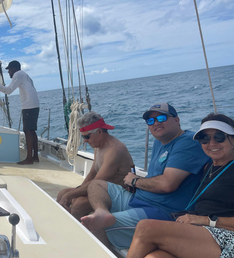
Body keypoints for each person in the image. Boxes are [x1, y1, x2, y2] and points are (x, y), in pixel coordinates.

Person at [80, 102, 210, 250]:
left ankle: (106, 250)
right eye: (151, 121)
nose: (155, 123)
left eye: (161, 118)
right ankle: (101, 211)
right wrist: (137, 185)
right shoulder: (159, 143)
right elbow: (156, 177)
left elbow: (166, 184)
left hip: (162, 211)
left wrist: (135, 181)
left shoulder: (187, 143)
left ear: (177, 120)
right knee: (96, 185)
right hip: (140, 199)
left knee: (95, 225)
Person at [126, 113, 234, 258]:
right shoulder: (208, 168)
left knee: (146, 228)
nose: (212, 143)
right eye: (205, 138)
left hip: (227, 238)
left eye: (219, 137)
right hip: (203, 232)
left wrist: (204, 220)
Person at [57, 112, 133, 219]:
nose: (85, 140)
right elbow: (93, 172)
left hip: (118, 194)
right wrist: (77, 190)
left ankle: (79, 233)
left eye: (87, 136)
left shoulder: (114, 151)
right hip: (100, 189)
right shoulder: (98, 146)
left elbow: (96, 183)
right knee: (62, 194)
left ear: (99, 131)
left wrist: (72, 194)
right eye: (83, 137)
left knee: (78, 204)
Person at [0, 60, 40, 165]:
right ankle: (35, 156)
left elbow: (8, 91)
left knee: (27, 131)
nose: (8, 72)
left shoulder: (18, 74)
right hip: (34, 105)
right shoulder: (24, 75)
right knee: (32, 131)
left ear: (14, 69)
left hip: (29, 106)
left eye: (9, 70)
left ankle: (29, 159)